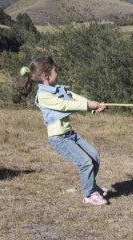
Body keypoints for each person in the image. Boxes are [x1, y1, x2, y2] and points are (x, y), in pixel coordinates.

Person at [14, 55, 109, 205]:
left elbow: (73, 97)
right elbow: (64, 105)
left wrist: (93, 106)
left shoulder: (57, 89)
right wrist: (88, 105)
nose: (57, 73)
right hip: (59, 137)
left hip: (69, 133)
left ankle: (91, 186)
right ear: (46, 75)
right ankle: (89, 194)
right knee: (85, 162)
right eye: (55, 71)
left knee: (94, 156)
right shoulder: (43, 96)